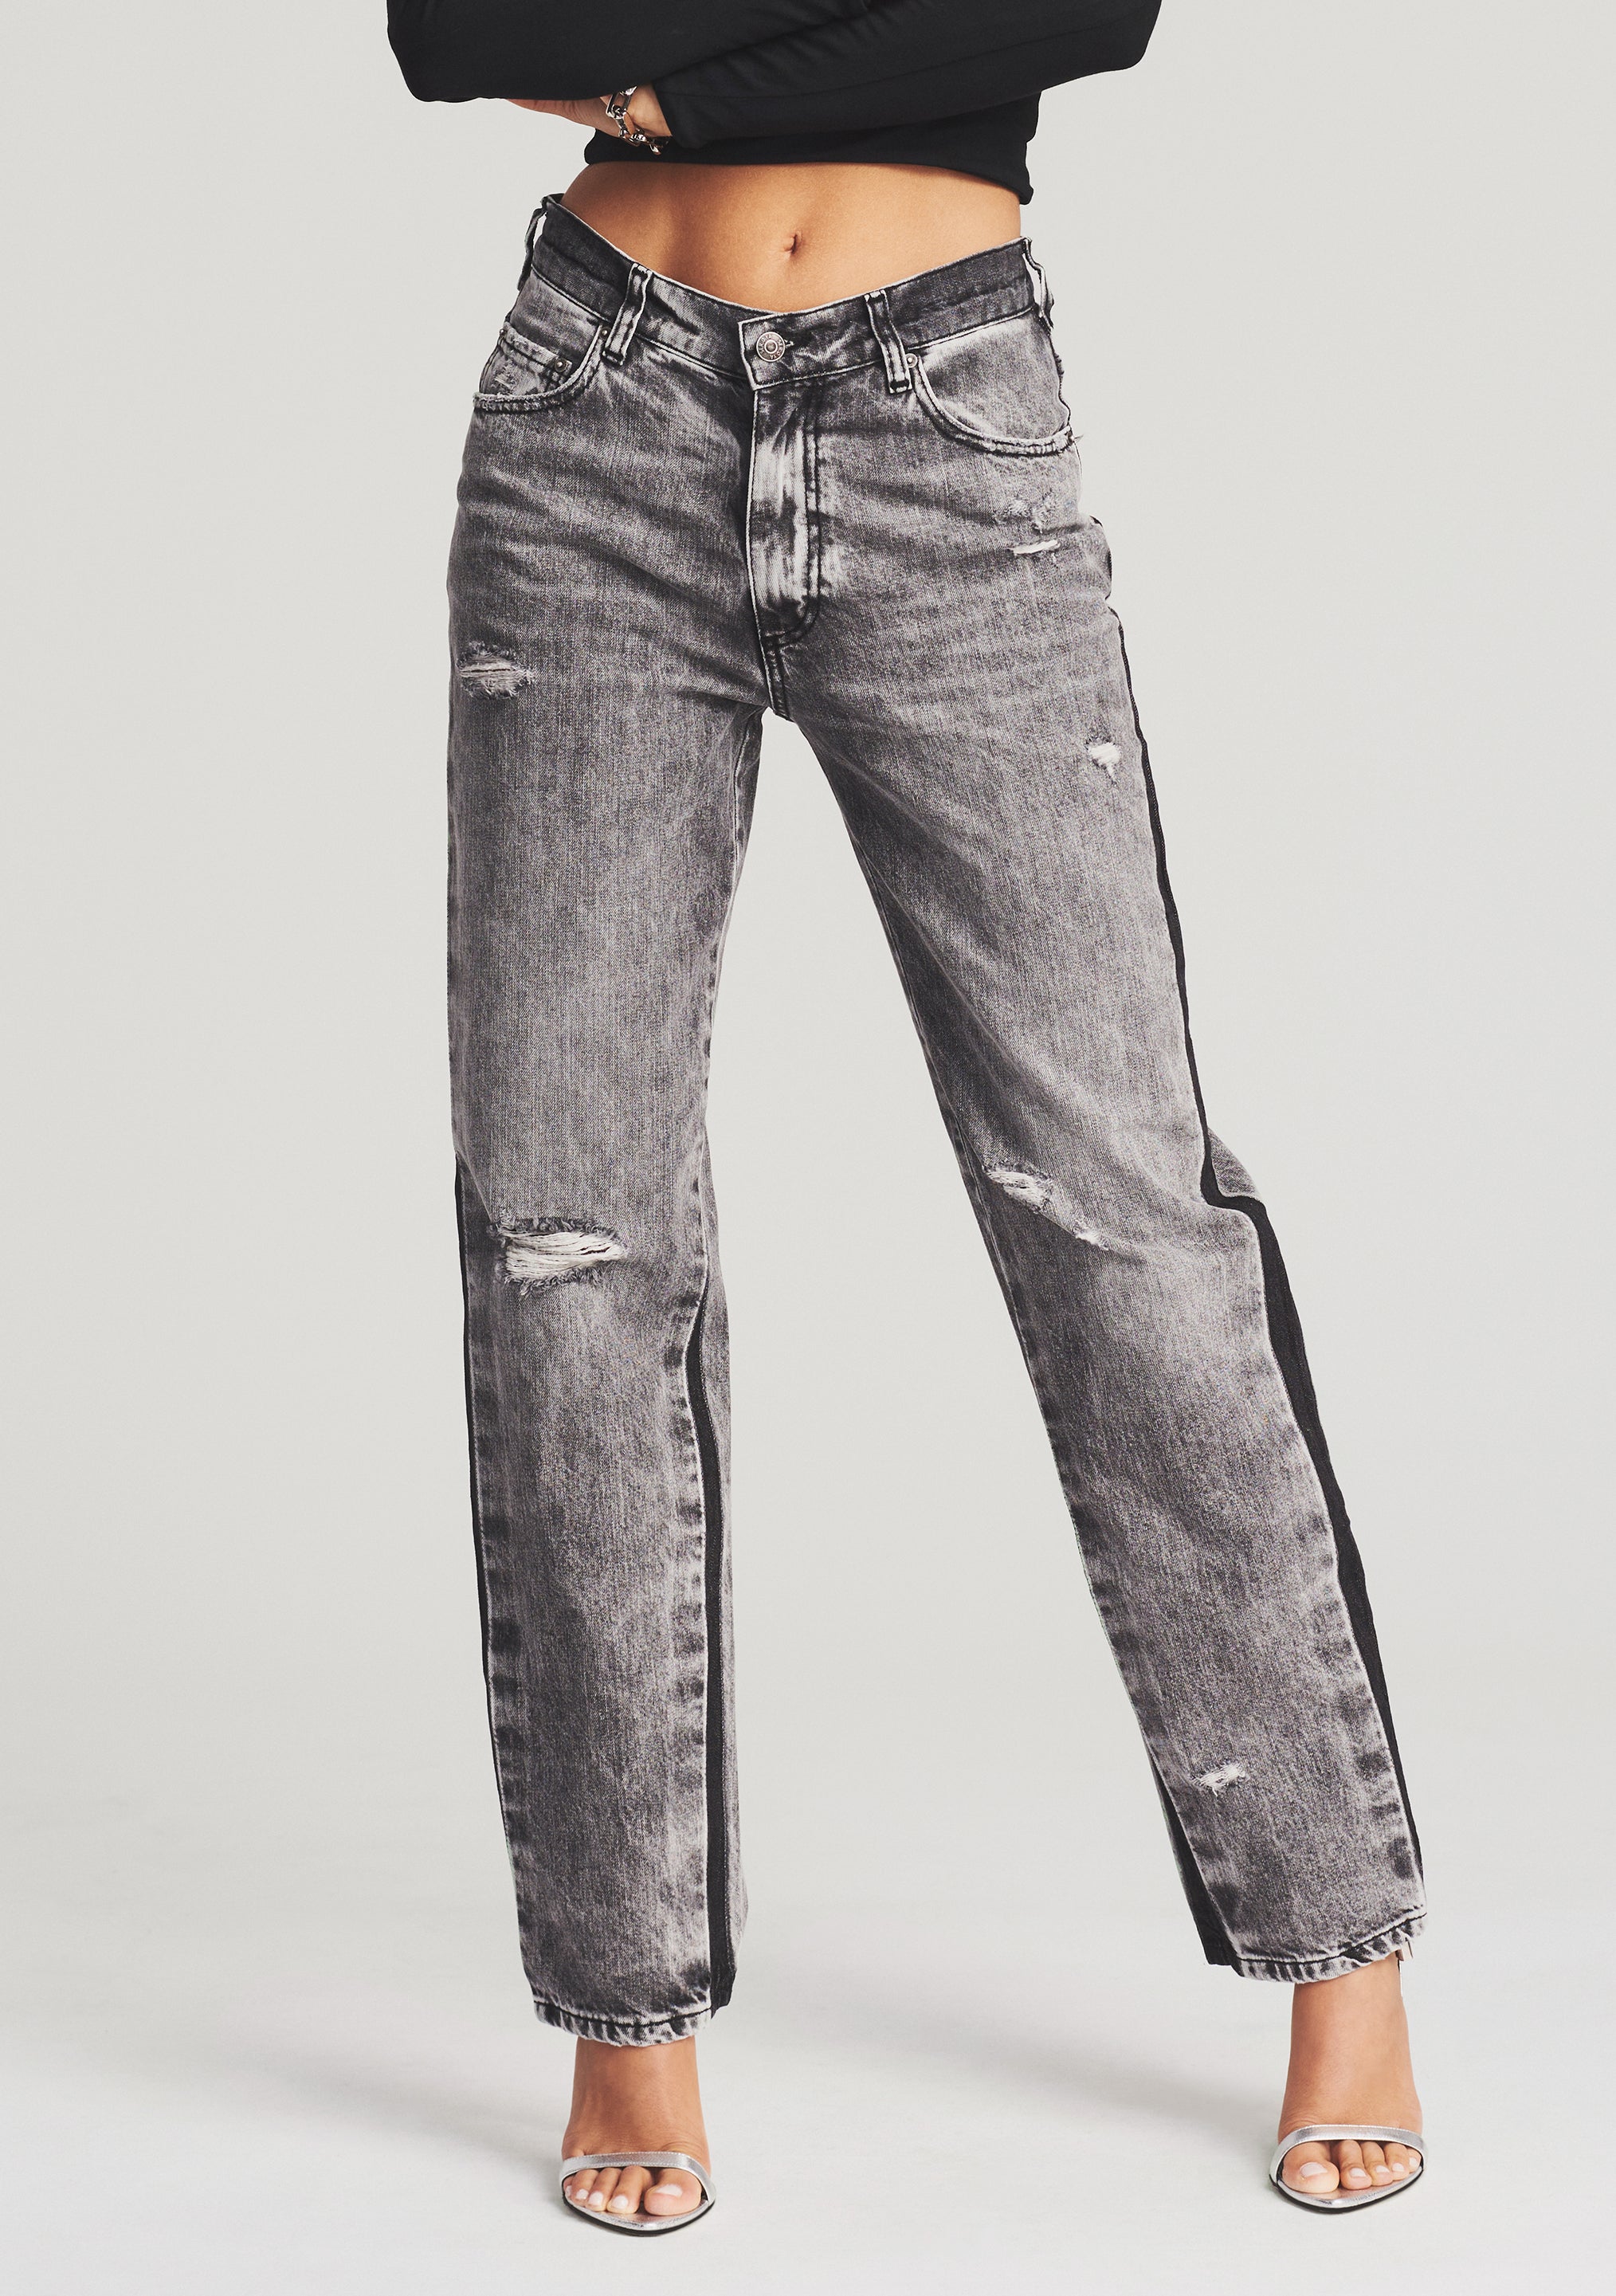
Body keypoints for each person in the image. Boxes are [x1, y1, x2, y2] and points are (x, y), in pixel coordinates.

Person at [386, 0, 1426, 2229]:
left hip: (942, 405)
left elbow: (1074, 7)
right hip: (593, 415)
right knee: (571, 1242)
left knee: (1120, 1211)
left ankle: (1338, 1955)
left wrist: (661, 84)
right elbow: (455, 26)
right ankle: (625, 2010)